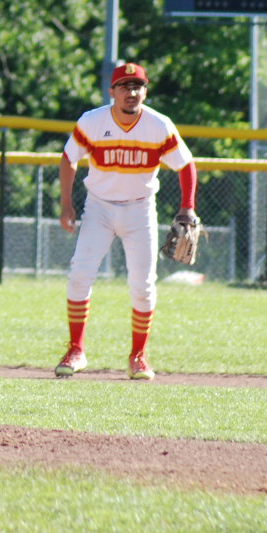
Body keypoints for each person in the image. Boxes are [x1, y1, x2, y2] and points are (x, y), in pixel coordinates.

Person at [53, 61, 196, 381]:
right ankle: (76, 350)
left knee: (143, 286)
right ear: (112, 91)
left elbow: (186, 164)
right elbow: (69, 158)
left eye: (138, 86)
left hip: (140, 209)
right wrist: (66, 204)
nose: (132, 92)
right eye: (125, 86)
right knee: (79, 275)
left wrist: (188, 207)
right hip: (99, 207)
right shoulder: (92, 121)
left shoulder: (159, 125)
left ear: (145, 91)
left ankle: (138, 357)